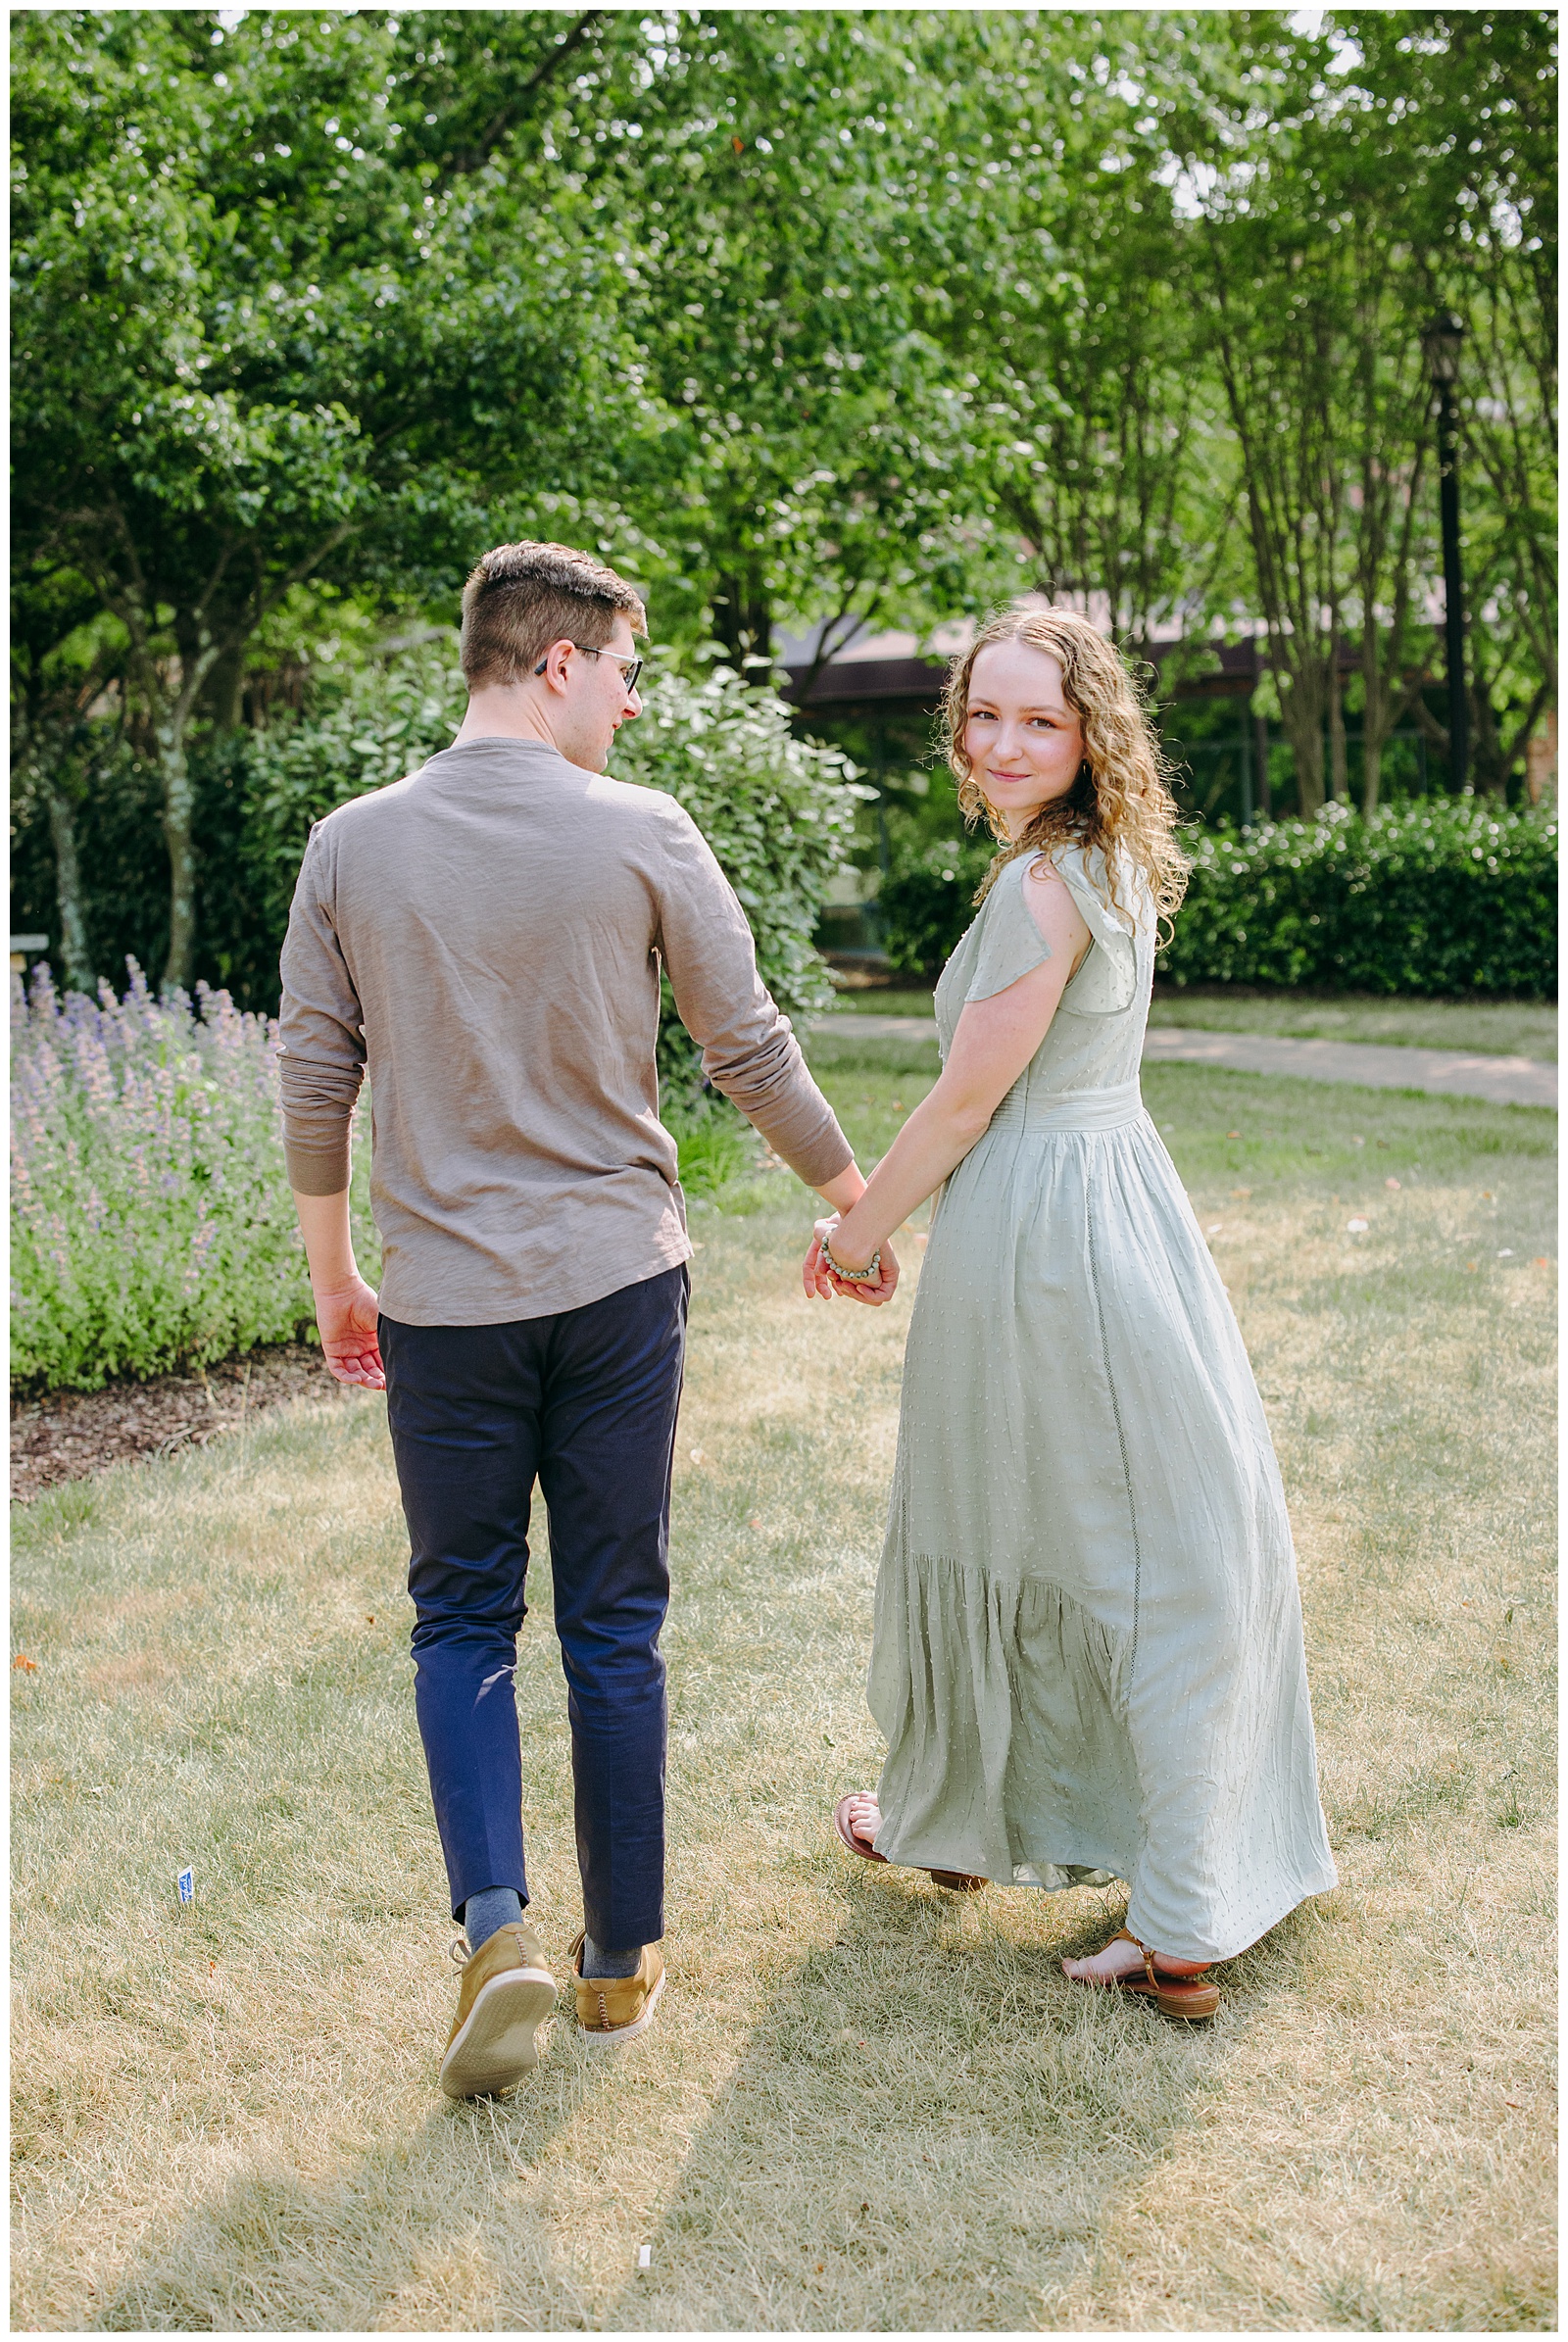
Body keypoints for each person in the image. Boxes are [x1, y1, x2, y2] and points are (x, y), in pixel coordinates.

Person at [278, 540, 885, 2095]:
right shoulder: (640, 830)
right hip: (618, 1283)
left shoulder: (352, 844)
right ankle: (620, 1968)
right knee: (615, 1618)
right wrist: (852, 1199)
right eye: (623, 669)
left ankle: (496, 1930)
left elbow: (315, 1075)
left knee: (463, 1614)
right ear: (554, 661)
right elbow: (745, 1043)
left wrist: (336, 1276)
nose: (630, 700)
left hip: (447, 1302)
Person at [808, 606, 1337, 2022]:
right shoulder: (1095, 860)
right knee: (1039, 1526)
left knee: (1117, 1551)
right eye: (985, 714)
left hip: (1052, 1231)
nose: (1002, 740)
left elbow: (972, 1095)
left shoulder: (1049, 886)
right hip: (1104, 1203)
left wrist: (856, 1232)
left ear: (1091, 732)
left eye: (1038, 719)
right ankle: (959, 1820)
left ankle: (1175, 1918)